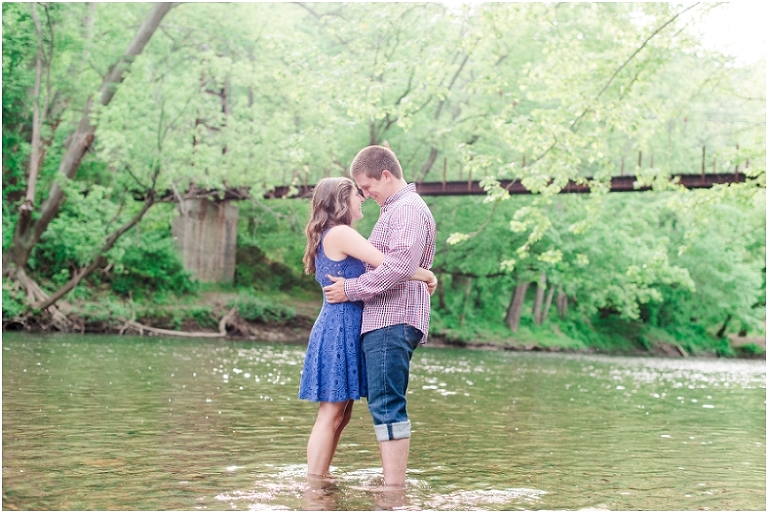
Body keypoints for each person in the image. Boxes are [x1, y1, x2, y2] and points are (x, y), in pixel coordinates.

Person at [298, 176, 437, 479]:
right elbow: (386, 263)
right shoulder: (341, 233)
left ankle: (321, 480)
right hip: (338, 326)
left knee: (341, 414)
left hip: (345, 323)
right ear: (341, 202)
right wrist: (425, 274)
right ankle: (313, 483)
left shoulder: (335, 234)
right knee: (332, 412)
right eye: (356, 195)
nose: (362, 198)